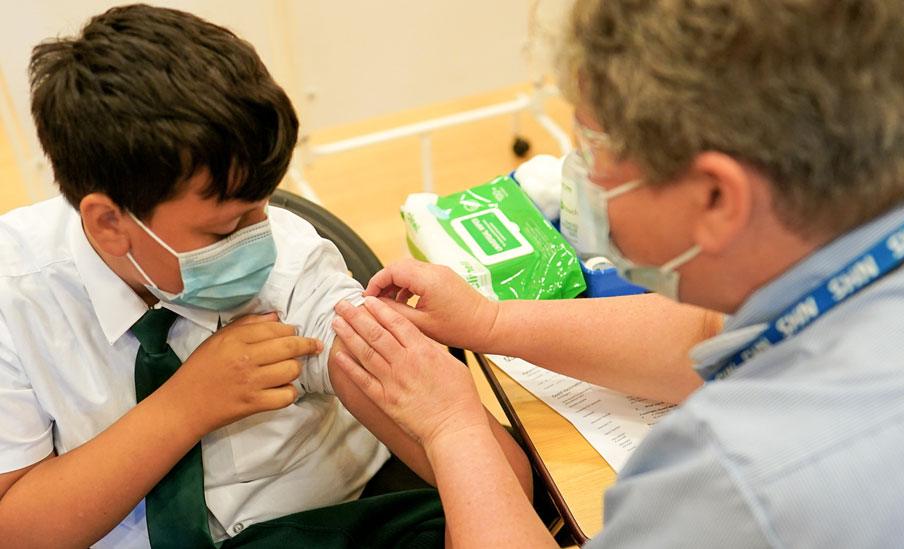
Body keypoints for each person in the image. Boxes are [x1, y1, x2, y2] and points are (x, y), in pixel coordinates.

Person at [332, 0, 904, 547]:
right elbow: (710, 329)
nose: (580, 176)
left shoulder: (736, 488)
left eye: (592, 151)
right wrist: (491, 321)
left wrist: (455, 430)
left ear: (718, 198)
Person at [0, 5, 530, 547]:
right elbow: (15, 530)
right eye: (226, 228)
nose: (263, 239)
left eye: (264, 206)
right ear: (110, 223)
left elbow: (503, 489)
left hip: (327, 520)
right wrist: (185, 407)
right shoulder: (13, 299)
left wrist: (443, 414)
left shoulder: (294, 269)